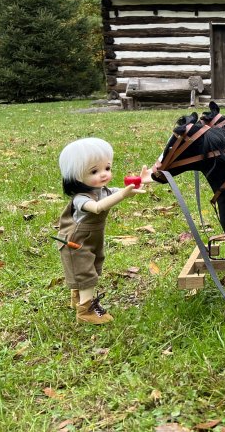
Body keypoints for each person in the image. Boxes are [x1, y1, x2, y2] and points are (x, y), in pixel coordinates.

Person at [57, 138, 151, 324]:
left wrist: (140, 182)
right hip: (76, 241)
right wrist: (122, 194)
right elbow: (97, 207)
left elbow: (123, 192)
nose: (103, 174)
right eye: (94, 171)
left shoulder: (103, 191)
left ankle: (78, 297)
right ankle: (86, 311)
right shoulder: (80, 198)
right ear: (76, 176)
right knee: (85, 273)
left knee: (93, 265)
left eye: (107, 168)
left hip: (92, 238)